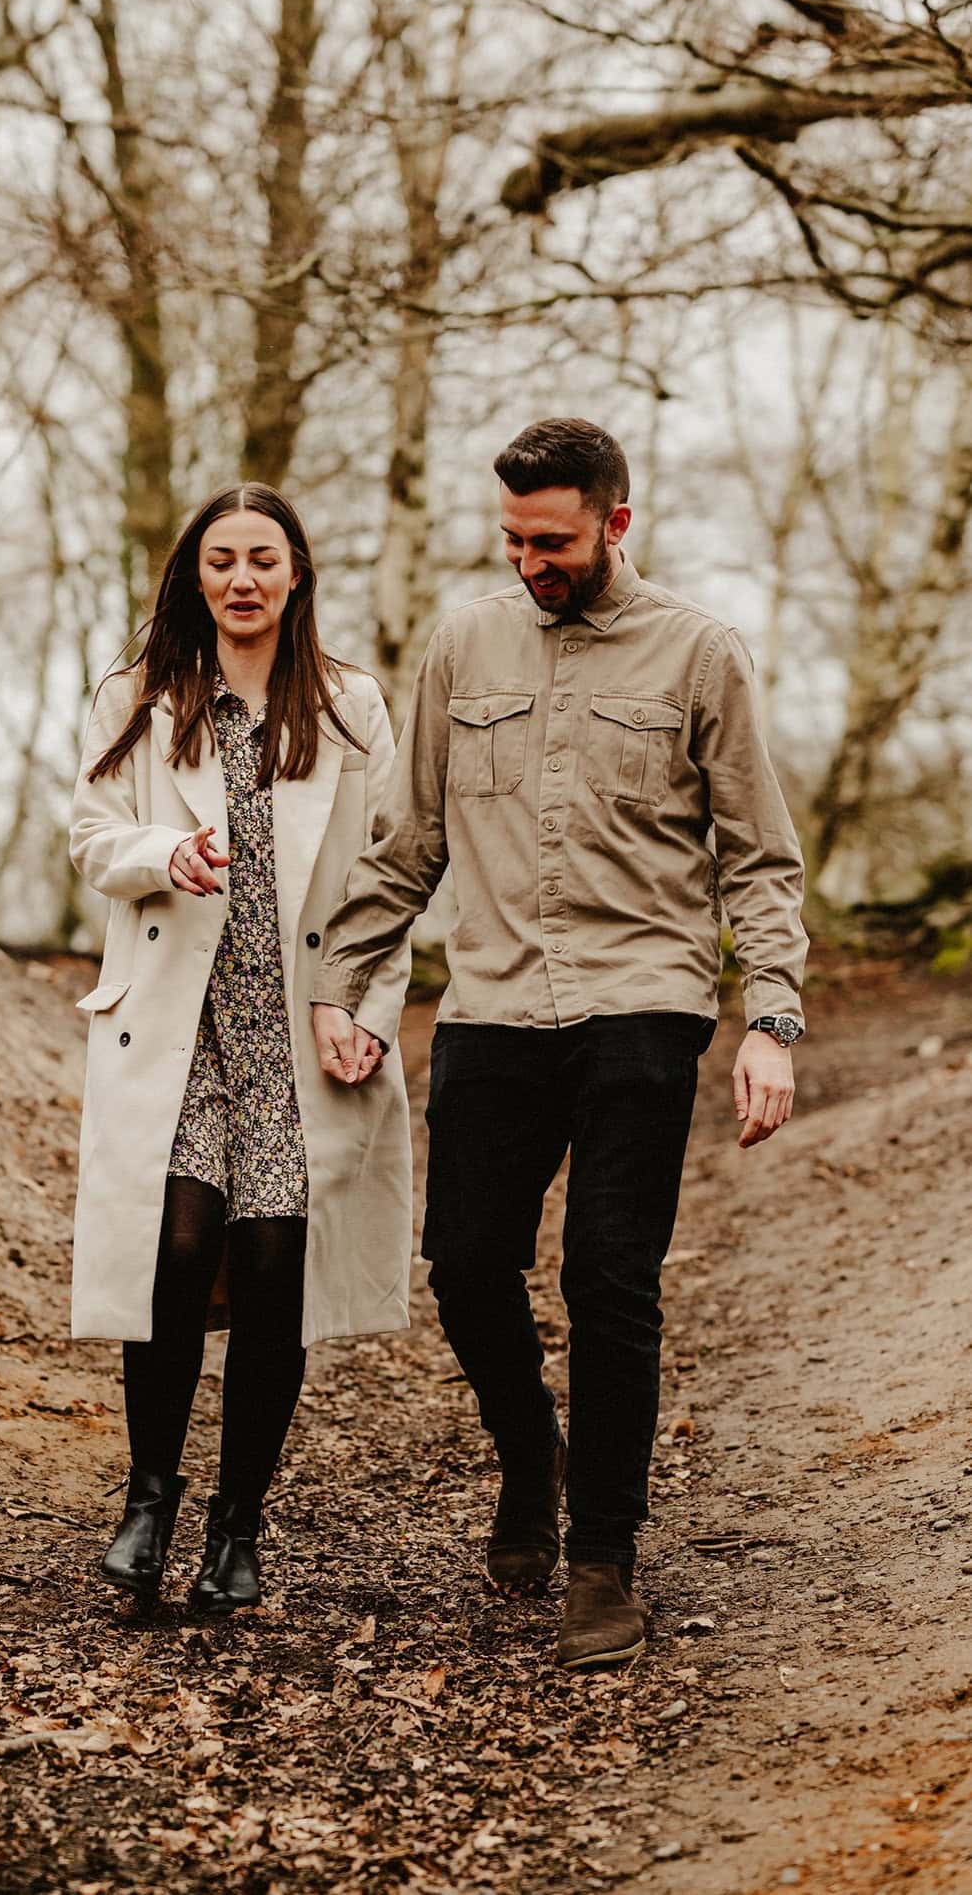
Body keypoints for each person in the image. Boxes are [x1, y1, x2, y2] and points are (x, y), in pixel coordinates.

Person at [311, 418, 807, 1670]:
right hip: (490, 1003)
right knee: (467, 1261)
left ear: (614, 525)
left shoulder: (700, 654)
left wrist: (773, 1021)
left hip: (645, 1002)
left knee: (608, 1277)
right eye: (516, 539)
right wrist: (338, 981)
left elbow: (759, 859)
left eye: (556, 541)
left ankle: (603, 1557)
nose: (532, 560)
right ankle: (531, 1454)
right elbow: (410, 840)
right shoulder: (463, 644)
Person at [68, 481, 412, 1612]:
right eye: (222, 560)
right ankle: (148, 1503)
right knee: (174, 1246)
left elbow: (391, 878)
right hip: (179, 1023)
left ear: (297, 570)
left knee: (275, 1270)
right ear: (195, 573)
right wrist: (163, 852)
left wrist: (363, 1006)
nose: (243, 579)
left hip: (299, 1030)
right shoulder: (144, 693)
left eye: (263, 557)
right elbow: (90, 833)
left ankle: (238, 1526)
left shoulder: (352, 704)